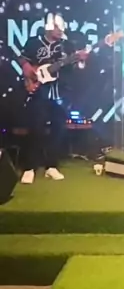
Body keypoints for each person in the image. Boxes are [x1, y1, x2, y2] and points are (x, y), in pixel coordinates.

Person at [18, 13, 87, 184]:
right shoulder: (34, 42)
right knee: (36, 128)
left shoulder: (67, 46)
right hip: (40, 92)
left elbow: (77, 67)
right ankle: (29, 168)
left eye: (61, 27)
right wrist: (28, 75)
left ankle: (51, 166)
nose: (59, 30)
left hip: (60, 92)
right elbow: (23, 60)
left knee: (58, 129)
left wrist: (81, 61)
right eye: (56, 26)